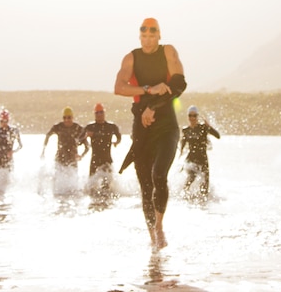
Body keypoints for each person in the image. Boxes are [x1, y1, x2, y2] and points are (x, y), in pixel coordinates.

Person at [114, 17, 187, 250]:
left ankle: (159, 225)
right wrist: (147, 89)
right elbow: (119, 88)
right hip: (142, 129)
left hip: (166, 125)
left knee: (158, 175)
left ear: (159, 35)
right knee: (145, 185)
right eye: (144, 36)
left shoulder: (168, 52)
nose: (147, 40)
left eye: (152, 35)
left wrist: (152, 106)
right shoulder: (131, 58)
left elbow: (179, 84)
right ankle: (153, 237)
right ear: (139, 36)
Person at [179, 105, 221, 198]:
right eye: (190, 115)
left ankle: (204, 203)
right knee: (191, 178)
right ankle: (184, 198)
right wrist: (180, 154)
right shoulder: (186, 130)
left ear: (197, 116)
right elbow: (182, 143)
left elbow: (218, 136)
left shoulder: (203, 128)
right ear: (188, 117)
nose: (192, 118)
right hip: (191, 158)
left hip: (202, 158)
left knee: (205, 184)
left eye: (194, 115)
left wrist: (209, 127)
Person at [84, 103, 121, 197]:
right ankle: (93, 202)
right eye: (97, 113)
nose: (99, 114)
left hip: (107, 159)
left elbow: (119, 136)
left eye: (101, 112)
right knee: (91, 187)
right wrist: (86, 136)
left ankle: (106, 202)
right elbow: (79, 139)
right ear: (94, 114)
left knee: (107, 186)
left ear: (104, 113)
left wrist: (117, 142)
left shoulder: (111, 126)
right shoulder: (90, 127)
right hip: (95, 160)